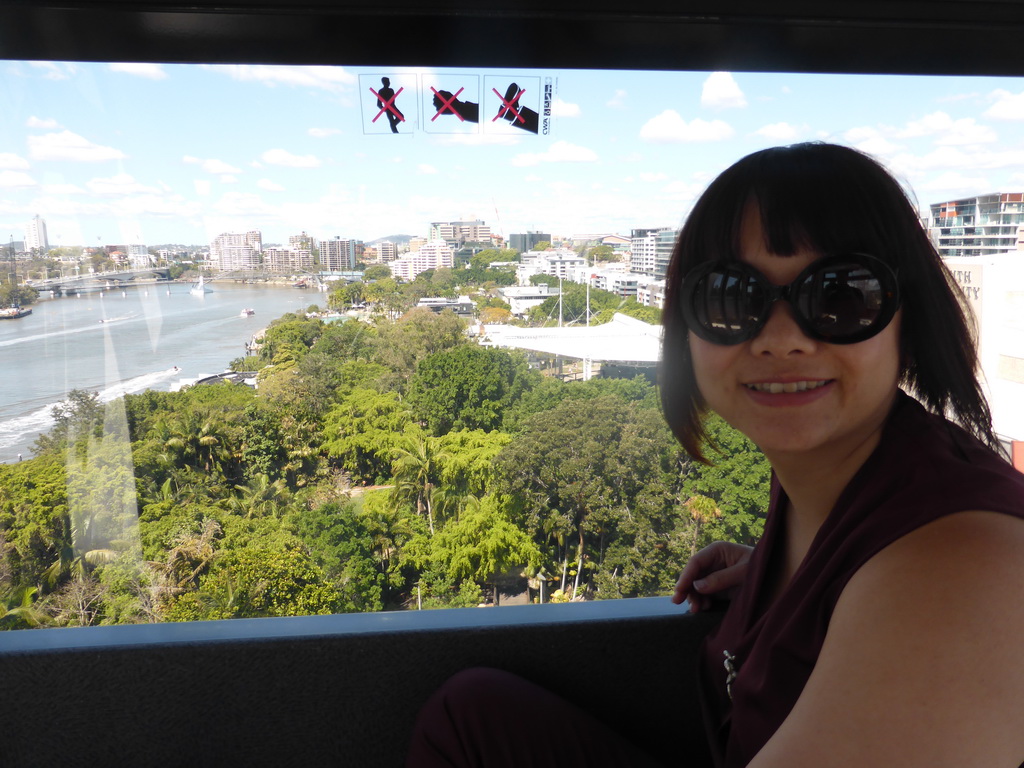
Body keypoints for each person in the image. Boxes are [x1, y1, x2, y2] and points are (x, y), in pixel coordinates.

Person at [406, 142, 1024, 767]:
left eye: (840, 296)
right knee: (470, 715)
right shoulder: (833, 478)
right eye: (732, 299)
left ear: (909, 323)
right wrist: (785, 579)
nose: (782, 341)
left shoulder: (956, 567)